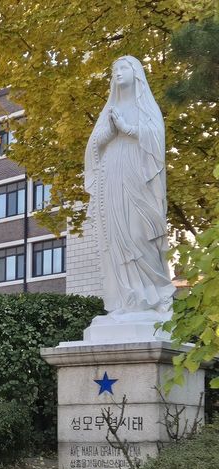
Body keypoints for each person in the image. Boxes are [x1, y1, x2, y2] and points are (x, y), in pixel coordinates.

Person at [84, 55, 175, 315]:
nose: (117, 72)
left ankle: (156, 296)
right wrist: (111, 132)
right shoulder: (109, 110)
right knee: (117, 235)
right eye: (114, 69)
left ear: (136, 73)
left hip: (139, 176)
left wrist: (127, 128)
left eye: (123, 67)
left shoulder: (146, 107)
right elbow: (93, 146)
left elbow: (156, 139)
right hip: (112, 176)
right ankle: (127, 300)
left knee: (140, 233)